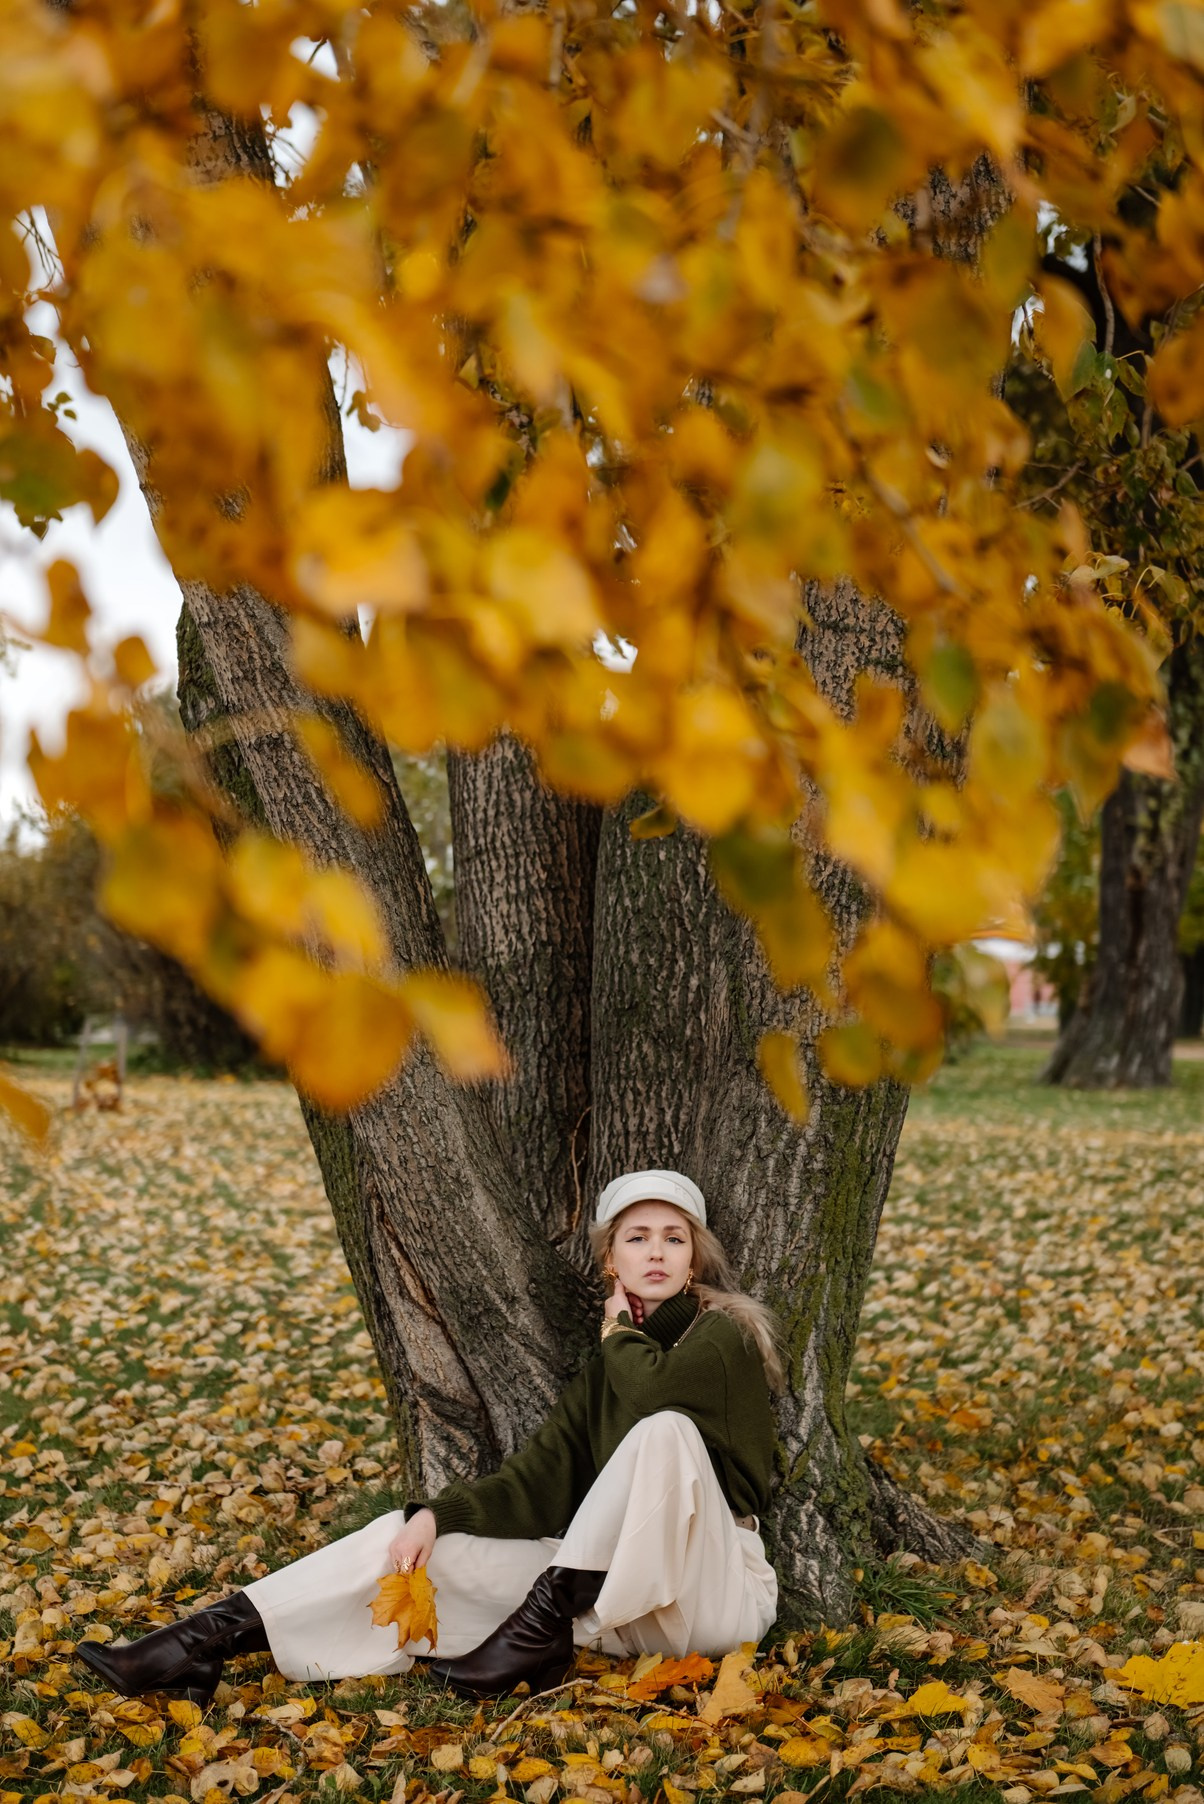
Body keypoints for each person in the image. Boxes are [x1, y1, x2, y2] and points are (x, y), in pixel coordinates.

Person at [75, 1169, 783, 1703]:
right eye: (638, 1237)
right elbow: (533, 1482)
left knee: (664, 1433)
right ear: (612, 1262)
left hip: (714, 1591)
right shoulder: (609, 1373)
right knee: (414, 1543)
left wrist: (615, 1330)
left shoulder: (722, 1333)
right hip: (619, 1607)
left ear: (695, 1259)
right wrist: (433, 1519)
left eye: (673, 1237)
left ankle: (534, 1635)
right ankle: (198, 1644)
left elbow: (658, 1391)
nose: (656, 1251)